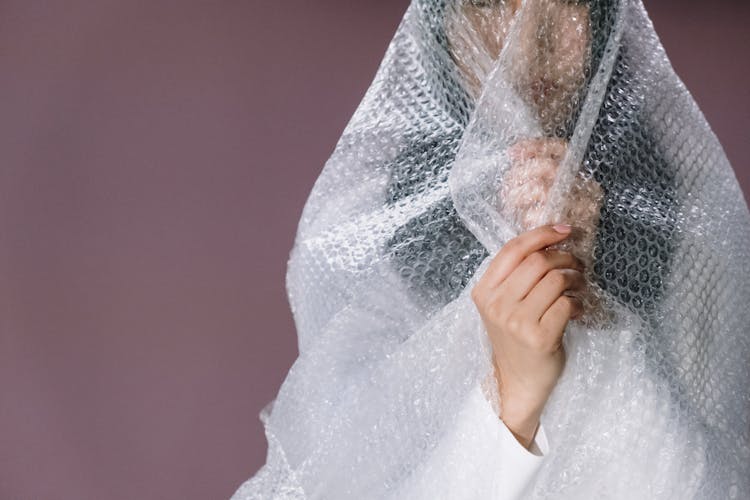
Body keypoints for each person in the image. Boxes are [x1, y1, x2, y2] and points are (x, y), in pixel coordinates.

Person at [232, 1, 750, 498]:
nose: (528, 42)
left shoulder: (693, 234)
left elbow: (705, 485)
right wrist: (510, 398)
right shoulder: (369, 241)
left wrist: (589, 311)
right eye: (484, 1)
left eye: (569, 0)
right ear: (437, 25)